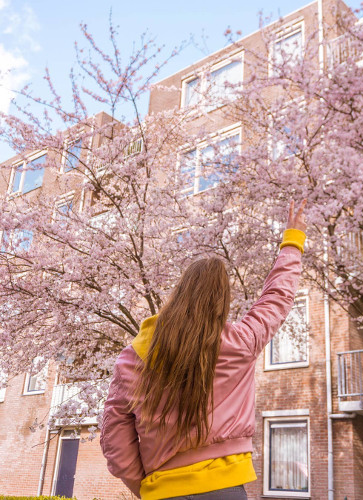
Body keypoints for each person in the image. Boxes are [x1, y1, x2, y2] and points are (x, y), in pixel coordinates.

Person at [100, 199, 307, 500]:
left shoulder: (133, 357)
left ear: (178, 294)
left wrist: (145, 485)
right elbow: (276, 298)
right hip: (227, 489)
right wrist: (293, 241)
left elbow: (114, 432)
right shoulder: (240, 343)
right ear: (222, 302)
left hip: (162, 489)